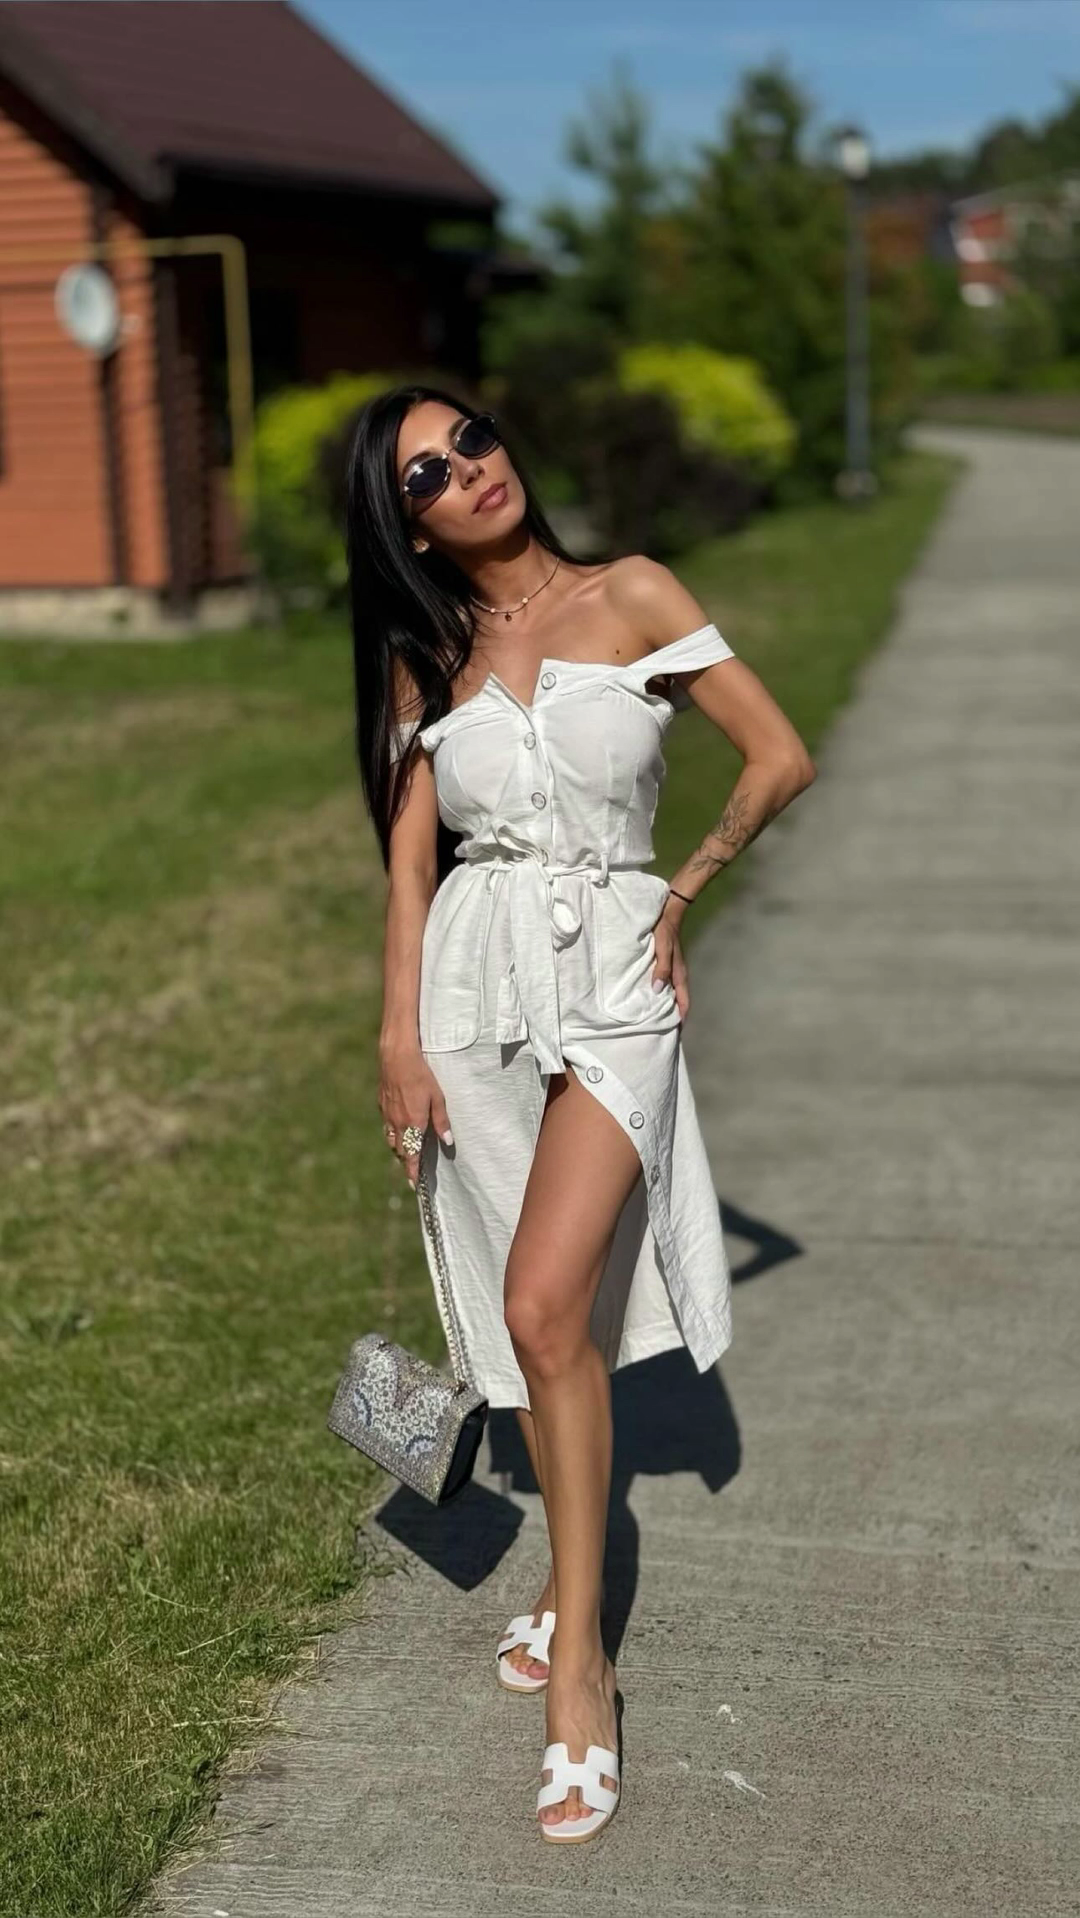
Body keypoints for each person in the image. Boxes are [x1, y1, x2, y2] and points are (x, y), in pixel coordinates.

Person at [345, 382, 816, 1842]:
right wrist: (397, 1037)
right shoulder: (428, 657)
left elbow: (779, 755)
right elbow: (411, 868)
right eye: (426, 474)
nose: (466, 470)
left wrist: (681, 889)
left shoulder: (634, 593)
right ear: (408, 524)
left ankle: (583, 1671)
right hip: (476, 991)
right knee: (550, 1328)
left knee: (547, 1304)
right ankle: (562, 1588)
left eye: (472, 437)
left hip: (614, 978)